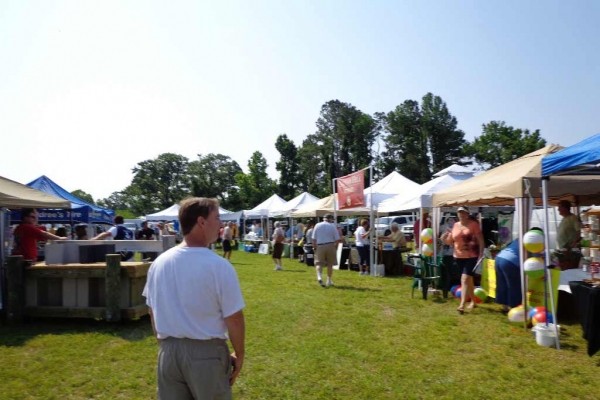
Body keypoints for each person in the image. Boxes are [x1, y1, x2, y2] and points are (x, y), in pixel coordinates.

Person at [142, 197, 245, 399]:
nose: (221, 224)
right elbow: (234, 318)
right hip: (206, 355)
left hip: (168, 353)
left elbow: (152, 310)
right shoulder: (219, 266)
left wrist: (166, 346)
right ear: (201, 221)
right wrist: (239, 354)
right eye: (217, 218)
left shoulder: (159, 263)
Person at [441, 206, 484, 314]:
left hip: (471, 255)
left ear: (468, 214)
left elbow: (481, 239)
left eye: (464, 212)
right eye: (460, 213)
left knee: (464, 279)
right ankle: (474, 302)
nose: (461, 214)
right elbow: (450, 242)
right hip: (458, 256)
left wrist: (481, 253)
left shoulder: (473, 224)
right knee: (468, 280)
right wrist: (443, 238)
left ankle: (462, 305)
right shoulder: (455, 225)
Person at [312, 214, 340, 287]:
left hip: (320, 245)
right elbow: (337, 239)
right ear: (330, 219)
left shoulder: (317, 225)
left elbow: (314, 238)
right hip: (330, 245)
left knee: (319, 263)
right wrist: (335, 247)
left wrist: (314, 247)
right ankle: (329, 280)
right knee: (330, 264)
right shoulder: (332, 226)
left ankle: (319, 276)